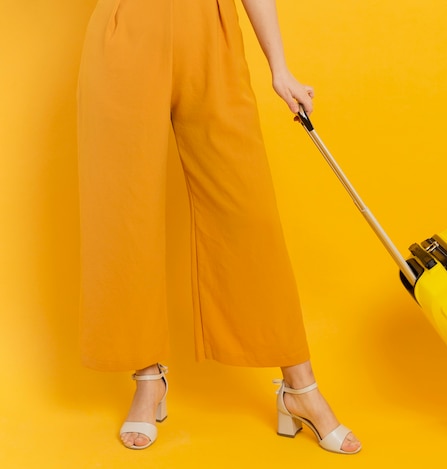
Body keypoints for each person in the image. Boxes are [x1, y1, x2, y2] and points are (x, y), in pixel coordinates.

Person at [77, 0, 361, 454]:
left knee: (248, 210)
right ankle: (147, 378)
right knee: (125, 212)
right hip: (124, 30)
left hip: (213, 31)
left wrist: (280, 67)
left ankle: (299, 388)